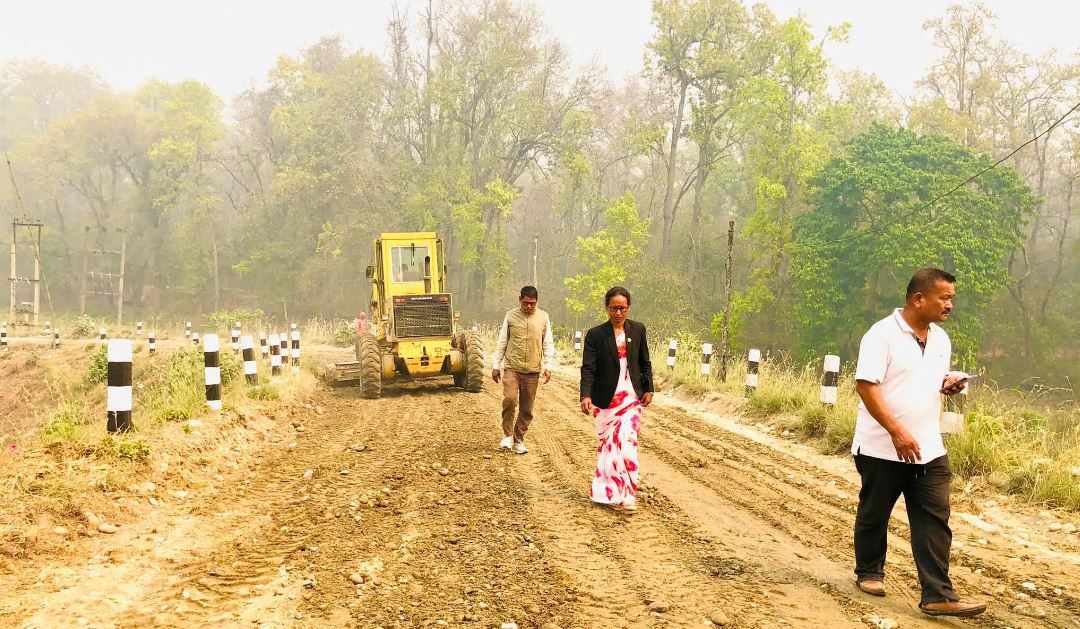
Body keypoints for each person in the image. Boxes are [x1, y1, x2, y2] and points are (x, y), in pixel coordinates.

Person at [852, 268, 985, 617]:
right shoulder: (881, 334)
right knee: (875, 512)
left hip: (929, 447)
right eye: (944, 298)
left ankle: (937, 594)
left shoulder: (941, 339)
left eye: (951, 298)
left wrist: (948, 383)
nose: (950, 305)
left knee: (934, 520)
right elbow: (866, 386)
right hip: (882, 446)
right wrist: (896, 431)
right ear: (918, 298)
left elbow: (924, 379)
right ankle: (869, 571)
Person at [579, 286, 653, 512]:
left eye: (622, 308)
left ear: (628, 308)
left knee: (627, 446)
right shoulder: (595, 335)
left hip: (631, 398)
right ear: (606, 308)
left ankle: (627, 495)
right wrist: (585, 394)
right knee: (609, 448)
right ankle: (607, 491)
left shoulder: (637, 330)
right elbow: (588, 368)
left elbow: (645, 361)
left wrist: (649, 388)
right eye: (613, 308)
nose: (618, 313)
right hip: (606, 400)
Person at [491, 286, 554, 454]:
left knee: (527, 409)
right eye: (525, 303)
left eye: (532, 303)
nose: (528, 306)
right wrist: (496, 365)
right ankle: (507, 435)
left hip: (533, 371)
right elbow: (502, 341)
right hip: (512, 368)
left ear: (537, 302)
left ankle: (519, 440)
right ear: (520, 300)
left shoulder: (543, 317)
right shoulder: (510, 316)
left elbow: (547, 343)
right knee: (510, 400)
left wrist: (548, 366)